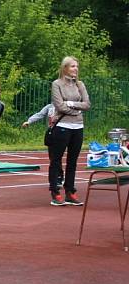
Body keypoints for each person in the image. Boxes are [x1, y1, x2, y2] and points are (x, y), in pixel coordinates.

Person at [49, 56, 90, 206]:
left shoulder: (80, 84)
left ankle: (70, 192)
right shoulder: (57, 84)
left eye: (77, 66)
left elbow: (87, 104)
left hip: (78, 127)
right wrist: (75, 110)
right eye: (73, 66)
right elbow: (59, 106)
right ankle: (55, 191)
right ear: (65, 68)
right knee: (56, 160)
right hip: (62, 127)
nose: (76, 69)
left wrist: (71, 104)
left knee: (72, 161)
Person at [21, 102, 63, 185]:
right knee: (52, 157)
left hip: (62, 133)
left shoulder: (64, 106)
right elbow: (39, 114)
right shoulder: (49, 107)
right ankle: (56, 177)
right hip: (51, 133)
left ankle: (59, 176)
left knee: (57, 156)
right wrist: (29, 121)